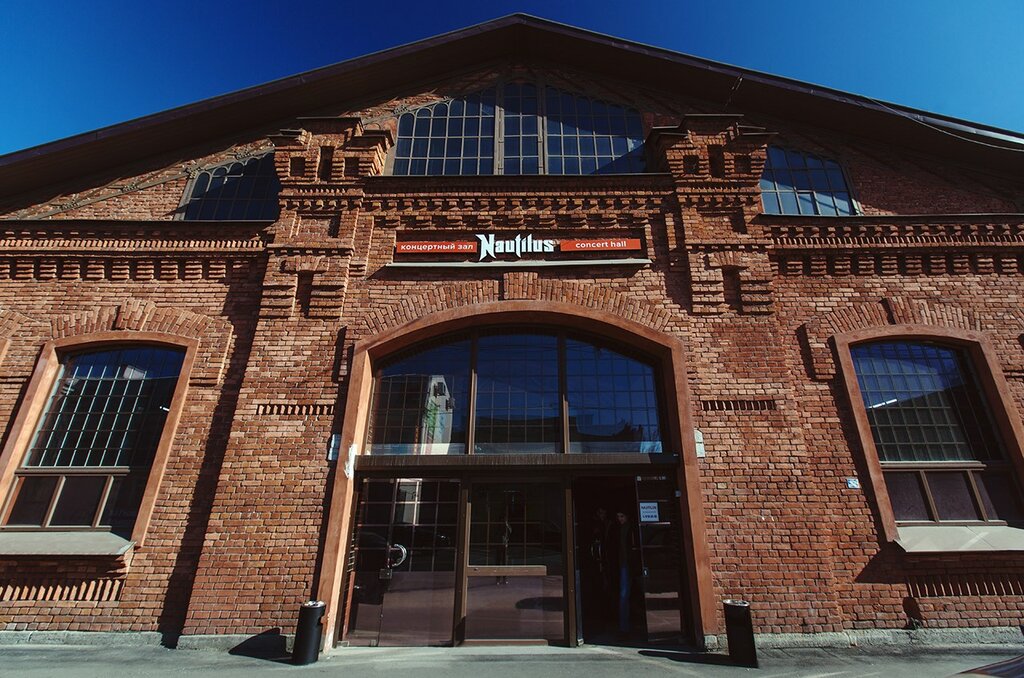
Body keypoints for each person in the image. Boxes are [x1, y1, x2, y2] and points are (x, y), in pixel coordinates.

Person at [610, 509, 638, 635]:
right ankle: (624, 626)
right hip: (624, 565)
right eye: (618, 516)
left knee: (624, 594)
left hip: (628, 565)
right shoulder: (619, 529)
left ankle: (625, 627)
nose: (620, 519)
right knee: (624, 594)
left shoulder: (630, 529)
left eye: (622, 516)